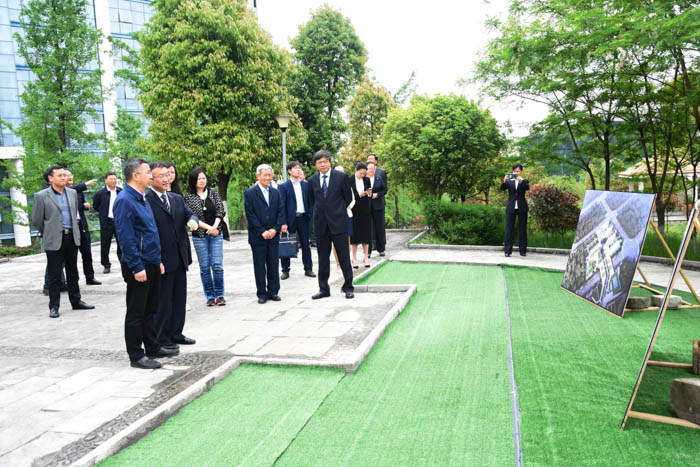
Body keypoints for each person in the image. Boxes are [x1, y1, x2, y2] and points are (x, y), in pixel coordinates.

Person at [113, 158, 178, 370]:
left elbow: (150, 232)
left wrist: (157, 260)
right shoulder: (125, 200)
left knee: (151, 308)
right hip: (138, 264)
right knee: (136, 311)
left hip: (151, 261)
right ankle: (136, 354)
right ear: (135, 176)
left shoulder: (142, 197)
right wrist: (136, 266)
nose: (151, 176)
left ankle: (152, 347)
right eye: (147, 172)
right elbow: (126, 237)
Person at [146, 162, 199, 350]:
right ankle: (161, 338)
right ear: (151, 178)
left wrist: (192, 220)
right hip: (161, 259)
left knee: (178, 298)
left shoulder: (176, 198)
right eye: (161, 176)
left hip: (179, 256)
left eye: (167, 175)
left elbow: (189, 214)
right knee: (163, 301)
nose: (166, 179)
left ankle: (176, 332)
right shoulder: (146, 200)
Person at [32, 165, 95, 318]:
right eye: (60, 175)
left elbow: (75, 215)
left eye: (64, 175)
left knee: (73, 272)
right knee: (54, 275)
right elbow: (37, 220)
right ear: (51, 178)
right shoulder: (41, 196)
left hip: (71, 237)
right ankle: (54, 306)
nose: (64, 178)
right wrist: (49, 232)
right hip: (54, 239)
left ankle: (76, 301)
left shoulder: (72, 193)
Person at [307, 150, 355, 299]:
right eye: (319, 162)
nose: (322, 164)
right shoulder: (312, 180)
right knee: (323, 258)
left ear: (329, 162)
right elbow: (312, 200)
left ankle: (348, 287)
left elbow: (348, 198)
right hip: (321, 225)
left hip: (339, 223)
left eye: (325, 161)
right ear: (316, 165)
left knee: (344, 256)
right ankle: (323, 289)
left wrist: (337, 211)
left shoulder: (341, 177)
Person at [184, 168, 226, 306]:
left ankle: (220, 295)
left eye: (203, 178)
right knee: (205, 267)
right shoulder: (189, 197)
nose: (202, 181)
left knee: (217, 265)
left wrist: (215, 227)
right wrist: (209, 228)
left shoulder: (213, 192)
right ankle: (210, 296)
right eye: (199, 179)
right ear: (193, 181)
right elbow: (192, 216)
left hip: (216, 233)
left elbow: (220, 210)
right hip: (200, 236)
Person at [244, 164, 284, 304]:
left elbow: (280, 212)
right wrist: (262, 231)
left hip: (273, 235)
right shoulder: (250, 193)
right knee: (260, 266)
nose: (268, 178)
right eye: (265, 175)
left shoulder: (276, 193)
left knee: (273, 264)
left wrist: (275, 229)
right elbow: (250, 215)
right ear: (258, 176)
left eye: (270, 175)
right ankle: (262, 293)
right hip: (257, 236)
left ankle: (273, 291)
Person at [278, 161, 315, 280]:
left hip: (303, 218)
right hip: (290, 219)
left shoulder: (305, 185)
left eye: (299, 168)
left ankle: (308, 269)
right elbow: (282, 205)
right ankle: (285, 270)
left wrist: (309, 214)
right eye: (295, 168)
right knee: (286, 242)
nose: (298, 170)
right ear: (289, 171)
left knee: (305, 244)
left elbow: (310, 201)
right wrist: (283, 222)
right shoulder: (284, 187)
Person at [65, 170, 101, 285]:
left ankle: (90, 277)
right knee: (71, 257)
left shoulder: (79, 192)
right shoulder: (63, 192)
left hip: (81, 225)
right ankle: (72, 281)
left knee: (87, 253)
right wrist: (85, 184)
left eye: (71, 175)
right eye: (66, 176)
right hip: (70, 228)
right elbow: (72, 190)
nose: (70, 177)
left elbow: (80, 206)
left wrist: (85, 206)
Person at [92, 172, 122, 273]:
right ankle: (106, 264)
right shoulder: (100, 193)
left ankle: (123, 262)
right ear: (105, 180)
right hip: (107, 221)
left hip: (119, 221)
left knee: (121, 243)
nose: (113, 181)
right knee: (105, 244)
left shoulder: (120, 191)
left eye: (115, 179)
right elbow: (96, 206)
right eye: (111, 179)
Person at [500, 163, 530, 257]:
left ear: (521, 172)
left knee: (522, 229)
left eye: (518, 171)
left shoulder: (524, 181)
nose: (516, 173)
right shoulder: (509, 181)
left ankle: (523, 251)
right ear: (512, 172)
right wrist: (504, 181)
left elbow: (527, 187)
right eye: (515, 171)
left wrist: (521, 181)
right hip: (511, 207)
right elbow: (502, 188)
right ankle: (507, 251)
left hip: (522, 207)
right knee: (509, 229)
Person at [349, 162, 372, 268]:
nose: (362, 175)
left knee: (366, 235)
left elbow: (370, 192)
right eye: (361, 173)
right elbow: (349, 195)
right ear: (356, 170)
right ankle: (354, 259)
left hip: (365, 210)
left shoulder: (367, 180)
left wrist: (368, 193)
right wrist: (359, 194)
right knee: (354, 236)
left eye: (364, 174)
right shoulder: (349, 180)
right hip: (354, 210)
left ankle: (366, 257)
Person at [366, 154, 387, 258]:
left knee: (379, 228)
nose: (371, 170)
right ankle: (368, 251)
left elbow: (384, 190)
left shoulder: (379, 178)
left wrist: (377, 194)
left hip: (378, 205)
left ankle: (381, 249)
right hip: (367, 206)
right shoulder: (363, 179)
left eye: (372, 169)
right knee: (368, 229)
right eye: (369, 168)